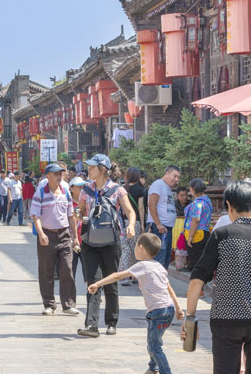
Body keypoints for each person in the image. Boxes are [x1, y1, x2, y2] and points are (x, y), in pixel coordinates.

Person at [183, 179, 251, 374]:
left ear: (228, 205)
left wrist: (190, 319)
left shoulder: (221, 236)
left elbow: (197, 281)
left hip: (226, 320)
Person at [89, 233, 184, 374]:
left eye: (135, 246)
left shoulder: (142, 266)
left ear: (140, 248)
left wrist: (97, 284)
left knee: (154, 347)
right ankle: (153, 368)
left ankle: (165, 371)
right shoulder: (159, 266)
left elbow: (117, 275)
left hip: (157, 312)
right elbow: (169, 289)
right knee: (155, 341)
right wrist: (178, 308)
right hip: (168, 310)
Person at [77, 154, 137, 338]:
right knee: (93, 282)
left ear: (103, 169)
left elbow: (130, 211)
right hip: (90, 242)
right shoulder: (86, 190)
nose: (89, 169)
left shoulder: (118, 190)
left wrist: (131, 225)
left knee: (111, 281)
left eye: (92, 167)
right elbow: (80, 212)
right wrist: (78, 216)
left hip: (111, 242)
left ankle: (111, 322)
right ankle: (91, 324)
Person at [31, 163, 80, 316]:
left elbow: (71, 216)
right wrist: (41, 233)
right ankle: (49, 304)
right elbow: (35, 216)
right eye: (56, 174)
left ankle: (68, 304)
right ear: (48, 176)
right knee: (47, 271)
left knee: (67, 268)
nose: (59, 176)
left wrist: (75, 237)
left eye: (61, 174)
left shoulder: (66, 193)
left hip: (64, 234)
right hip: (47, 235)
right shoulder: (40, 193)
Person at [147, 166, 179, 269]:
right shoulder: (158, 184)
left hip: (166, 228)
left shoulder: (167, 187)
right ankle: (155, 284)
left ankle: (160, 283)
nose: (176, 180)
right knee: (159, 259)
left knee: (165, 258)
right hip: (159, 228)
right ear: (167, 173)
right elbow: (151, 204)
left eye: (178, 177)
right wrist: (158, 224)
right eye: (174, 176)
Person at [119, 167, 146, 284]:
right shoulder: (140, 189)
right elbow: (140, 207)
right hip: (136, 222)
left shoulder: (123, 188)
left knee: (125, 248)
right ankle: (136, 276)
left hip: (124, 222)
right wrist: (142, 224)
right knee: (135, 247)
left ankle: (124, 276)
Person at [183, 178, 213, 271]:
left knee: (196, 259)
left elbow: (195, 220)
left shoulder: (197, 203)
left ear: (192, 189)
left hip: (196, 234)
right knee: (200, 258)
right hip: (204, 232)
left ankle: (197, 281)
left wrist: (190, 236)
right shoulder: (207, 200)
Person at [69, 176, 87, 282]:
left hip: (85, 241)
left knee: (88, 271)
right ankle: (70, 297)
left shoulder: (86, 202)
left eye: (83, 186)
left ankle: (92, 296)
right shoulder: (68, 204)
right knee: (71, 271)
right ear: (71, 188)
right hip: (72, 243)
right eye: (79, 186)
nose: (82, 188)